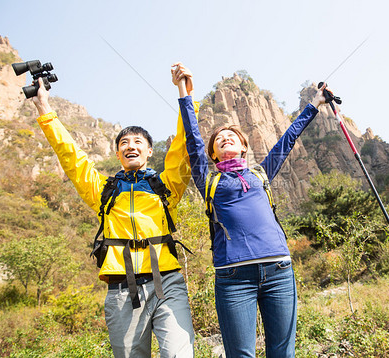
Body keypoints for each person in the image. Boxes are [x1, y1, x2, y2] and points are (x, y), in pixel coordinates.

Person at [30, 73, 198, 358]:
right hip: (122, 288)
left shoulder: (166, 185)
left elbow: (183, 146)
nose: (130, 146)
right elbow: (71, 156)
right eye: (124, 143)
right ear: (117, 153)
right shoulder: (103, 190)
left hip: (167, 281)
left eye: (137, 142)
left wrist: (184, 93)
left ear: (149, 150)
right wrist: (44, 108)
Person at [171, 62, 330, 357]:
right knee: (241, 354)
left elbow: (288, 139)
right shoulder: (209, 180)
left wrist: (315, 104)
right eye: (219, 139)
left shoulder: (260, 173)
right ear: (213, 153)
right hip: (233, 277)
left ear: (245, 147)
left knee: (282, 352)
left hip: (279, 269)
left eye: (232, 136)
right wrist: (183, 90)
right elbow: (193, 139)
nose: (225, 138)